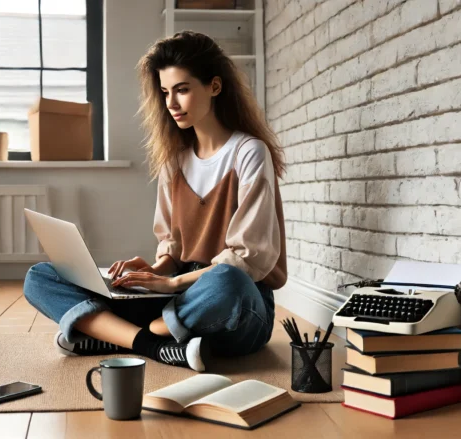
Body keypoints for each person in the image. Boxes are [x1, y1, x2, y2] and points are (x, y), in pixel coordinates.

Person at [23, 31, 288, 372]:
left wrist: (173, 282)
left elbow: (249, 260)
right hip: (175, 302)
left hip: (237, 305)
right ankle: (156, 344)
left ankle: (117, 336)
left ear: (215, 87)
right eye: (165, 92)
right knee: (41, 276)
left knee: (227, 282)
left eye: (182, 89)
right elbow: (172, 246)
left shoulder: (249, 153)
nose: (171, 104)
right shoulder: (174, 161)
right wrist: (155, 270)